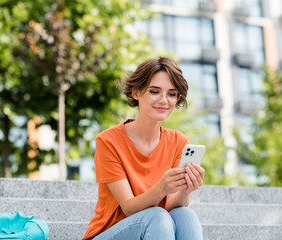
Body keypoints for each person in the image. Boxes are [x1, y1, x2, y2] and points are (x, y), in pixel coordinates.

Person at [82, 56, 205, 240]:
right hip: (109, 234)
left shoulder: (179, 141)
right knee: (157, 216)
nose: (164, 100)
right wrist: (162, 187)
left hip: (157, 231)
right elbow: (129, 207)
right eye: (155, 91)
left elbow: (172, 207)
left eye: (172, 94)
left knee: (185, 214)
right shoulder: (108, 141)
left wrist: (185, 190)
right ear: (136, 92)